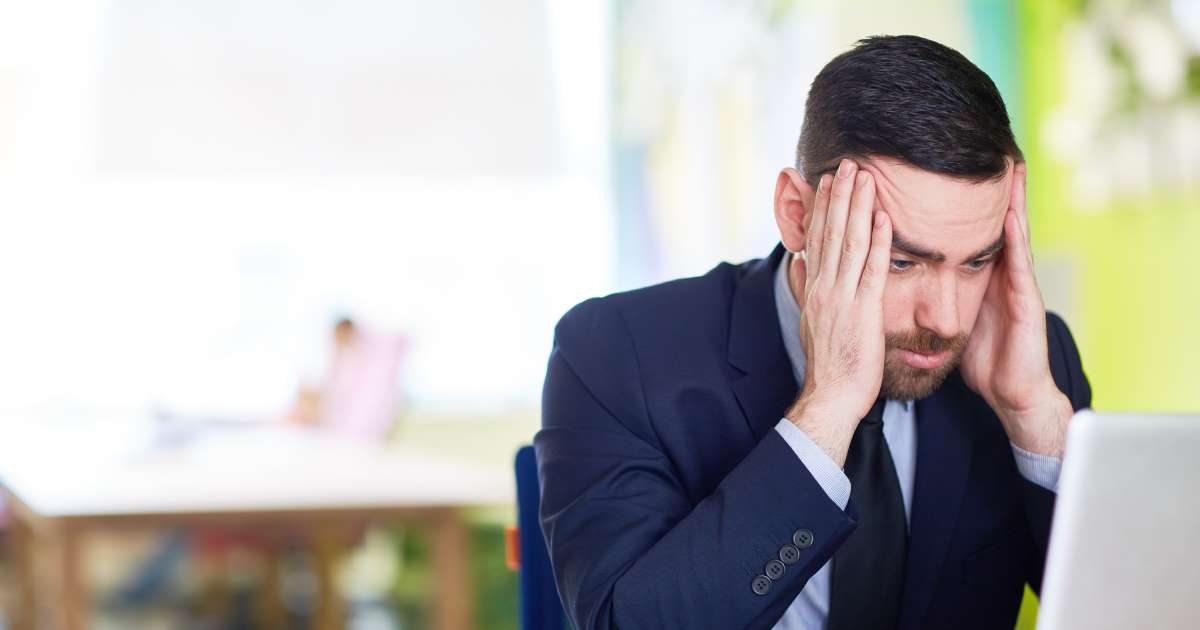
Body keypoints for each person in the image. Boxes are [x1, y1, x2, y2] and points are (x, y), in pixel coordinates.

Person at [536, 35, 1091, 630]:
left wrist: (1037, 422)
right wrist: (827, 411)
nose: (946, 320)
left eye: (977, 261)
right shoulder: (615, 353)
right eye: (901, 262)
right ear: (797, 215)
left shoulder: (1031, 362)